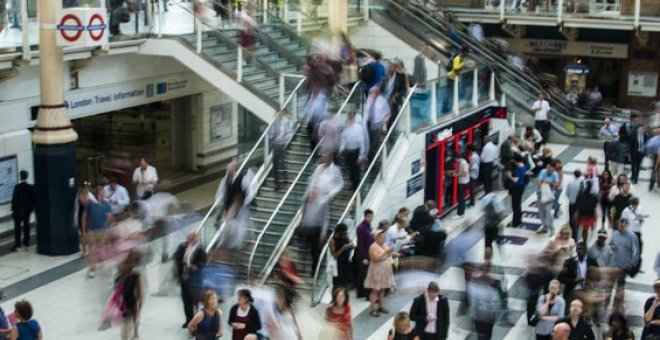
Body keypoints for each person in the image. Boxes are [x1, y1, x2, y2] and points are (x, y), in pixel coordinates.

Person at [299, 155, 344, 274]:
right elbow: (303, 215)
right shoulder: (307, 202)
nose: (312, 193)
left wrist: (323, 233)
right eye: (312, 191)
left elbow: (325, 219)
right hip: (307, 228)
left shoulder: (322, 203)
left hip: (317, 229)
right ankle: (304, 268)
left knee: (315, 251)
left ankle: (315, 271)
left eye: (314, 191)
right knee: (306, 248)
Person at [214, 159, 256, 249]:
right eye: (227, 170)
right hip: (230, 205)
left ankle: (250, 241)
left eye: (228, 169)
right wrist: (219, 204)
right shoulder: (226, 179)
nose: (227, 171)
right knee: (230, 222)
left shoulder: (243, 177)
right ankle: (229, 241)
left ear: (234, 169)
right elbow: (221, 192)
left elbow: (249, 191)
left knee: (246, 222)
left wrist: (244, 203)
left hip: (242, 205)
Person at [174, 231, 208, 328]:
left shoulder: (200, 249)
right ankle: (188, 320)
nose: (191, 239)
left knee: (195, 302)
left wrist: (193, 267)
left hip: (194, 280)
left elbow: (203, 264)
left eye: (193, 237)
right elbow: (177, 257)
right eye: (190, 237)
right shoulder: (183, 247)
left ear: (197, 238)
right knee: (186, 300)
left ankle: (196, 322)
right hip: (184, 278)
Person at [82, 185, 113, 278]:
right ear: (97, 194)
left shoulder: (107, 204)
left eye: (104, 192)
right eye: (101, 193)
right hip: (92, 231)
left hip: (103, 231)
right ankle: (92, 269)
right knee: (92, 250)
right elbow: (84, 216)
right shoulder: (90, 204)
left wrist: (109, 221)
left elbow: (109, 217)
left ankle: (101, 264)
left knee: (102, 249)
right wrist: (84, 230)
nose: (103, 194)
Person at [557, 242, 599, 311]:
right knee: (570, 313)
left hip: (587, 292)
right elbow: (560, 278)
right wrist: (573, 281)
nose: (581, 251)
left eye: (583, 249)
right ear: (576, 250)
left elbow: (598, 276)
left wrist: (590, 282)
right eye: (579, 248)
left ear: (586, 250)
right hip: (572, 292)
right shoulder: (569, 262)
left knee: (586, 313)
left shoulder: (592, 262)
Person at [364, 230, 395, 317]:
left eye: (384, 237)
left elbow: (388, 253)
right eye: (382, 237)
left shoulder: (384, 245)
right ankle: (373, 309)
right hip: (377, 270)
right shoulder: (373, 246)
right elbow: (376, 258)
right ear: (377, 237)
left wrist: (392, 252)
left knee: (382, 289)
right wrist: (386, 252)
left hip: (385, 270)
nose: (384, 239)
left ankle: (381, 306)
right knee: (375, 290)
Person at [610, 218, 639, 311]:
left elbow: (636, 252)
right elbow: (610, 245)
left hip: (623, 266)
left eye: (622, 226)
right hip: (613, 265)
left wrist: (631, 264)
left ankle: (618, 305)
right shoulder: (614, 234)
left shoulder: (632, 237)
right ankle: (609, 303)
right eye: (619, 226)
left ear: (627, 225)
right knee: (610, 285)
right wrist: (612, 247)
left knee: (620, 286)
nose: (620, 228)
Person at [117, 250, 144, 340]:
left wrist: (140, 304)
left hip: (132, 300)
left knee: (133, 319)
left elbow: (140, 292)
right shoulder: (122, 270)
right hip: (125, 299)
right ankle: (133, 332)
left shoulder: (136, 275)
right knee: (125, 323)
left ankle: (135, 331)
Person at [340, 108, 369, 191]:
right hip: (348, 152)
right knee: (350, 170)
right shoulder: (346, 126)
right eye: (348, 114)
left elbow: (361, 142)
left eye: (351, 114)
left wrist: (361, 156)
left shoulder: (358, 127)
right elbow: (344, 138)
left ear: (354, 115)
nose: (349, 116)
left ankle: (357, 187)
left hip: (355, 152)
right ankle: (352, 184)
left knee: (356, 171)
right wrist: (341, 148)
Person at [269, 110, 293, 191]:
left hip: (283, 145)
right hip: (275, 145)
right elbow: (270, 133)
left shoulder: (286, 122)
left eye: (279, 113)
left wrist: (285, 141)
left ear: (282, 113)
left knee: (282, 163)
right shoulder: (274, 122)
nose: (278, 115)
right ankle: (276, 184)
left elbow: (289, 133)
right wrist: (271, 139)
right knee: (275, 163)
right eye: (277, 113)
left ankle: (285, 181)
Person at [364, 86, 390, 161]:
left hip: (378, 124)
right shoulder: (368, 100)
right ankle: (369, 157)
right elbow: (366, 111)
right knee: (369, 142)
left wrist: (383, 122)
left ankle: (373, 159)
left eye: (373, 92)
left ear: (377, 93)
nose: (371, 94)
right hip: (368, 123)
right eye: (370, 93)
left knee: (374, 144)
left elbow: (388, 114)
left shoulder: (383, 101)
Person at [11, 170, 35, 252]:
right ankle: (26, 244)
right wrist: (31, 209)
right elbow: (33, 200)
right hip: (27, 211)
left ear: (20, 177)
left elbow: (14, 200)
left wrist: (13, 210)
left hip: (18, 211)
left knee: (17, 228)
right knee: (26, 227)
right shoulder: (31, 187)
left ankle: (18, 245)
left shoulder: (17, 187)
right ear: (27, 176)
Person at [354, 209, 375, 298]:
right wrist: (363, 258)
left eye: (371, 217)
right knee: (364, 275)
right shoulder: (361, 227)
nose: (370, 218)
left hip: (369, 253)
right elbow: (360, 244)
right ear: (365, 216)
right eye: (368, 217)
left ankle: (363, 293)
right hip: (364, 255)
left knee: (366, 274)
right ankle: (362, 293)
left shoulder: (369, 226)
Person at [536, 160, 560, 235]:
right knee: (541, 212)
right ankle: (545, 227)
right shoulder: (543, 171)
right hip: (541, 194)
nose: (550, 171)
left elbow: (557, 185)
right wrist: (542, 185)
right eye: (549, 168)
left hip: (549, 195)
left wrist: (550, 183)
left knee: (548, 211)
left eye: (552, 170)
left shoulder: (555, 174)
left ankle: (552, 228)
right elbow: (538, 181)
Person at [329, 223, 354, 292]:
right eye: (344, 232)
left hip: (345, 263)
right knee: (336, 284)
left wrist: (349, 245)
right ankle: (334, 298)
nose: (345, 233)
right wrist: (343, 248)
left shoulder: (345, 237)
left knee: (345, 283)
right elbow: (334, 255)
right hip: (337, 265)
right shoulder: (332, 241)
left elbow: (352, 244)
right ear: (338, 231)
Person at [506, 154, 528, 228]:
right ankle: (517, 220)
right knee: (517, 205)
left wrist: (509, 176)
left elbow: (516, 180)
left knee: (515, 206)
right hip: (520, 187)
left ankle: (516, 222)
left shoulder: (519, 169)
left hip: (517, 188)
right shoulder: (523, 166)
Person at [564, 170, 583, 241]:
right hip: (579, 204)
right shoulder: (582, 183)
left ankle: (572, 235)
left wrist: (571, 198)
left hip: (572, 203)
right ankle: (576, 235)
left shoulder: (570, 183)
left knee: (571, 219)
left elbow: (566, 193)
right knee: (578, 220)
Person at [454, 152, 470, 219]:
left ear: (458, 158)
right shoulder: (461, 162)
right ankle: (461, 212)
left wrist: (457, 174)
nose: (455, 161)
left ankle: (460, 213)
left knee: (460, 198)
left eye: (456, 159)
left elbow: (465, 173)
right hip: (462, 182)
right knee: (461, 198)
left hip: (463, 183)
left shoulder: (463, 163)